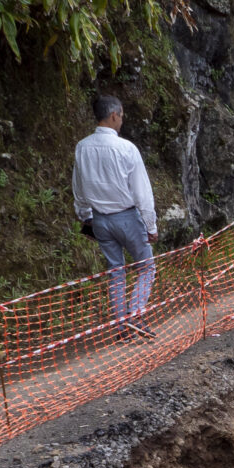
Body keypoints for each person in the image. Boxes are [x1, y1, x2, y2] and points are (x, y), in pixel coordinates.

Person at [72, 93, 158, 332]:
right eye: (121, 115)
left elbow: (78, 187)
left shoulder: (82, 147)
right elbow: (142, 192)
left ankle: (121, 327)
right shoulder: (126, 148)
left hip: (100, 220)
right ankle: (135, 316)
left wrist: (85, 216)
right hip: (127, 218)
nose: (122, 120)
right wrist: (151, 226)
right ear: (113, 115)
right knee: (146, 267)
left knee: (116, 272)